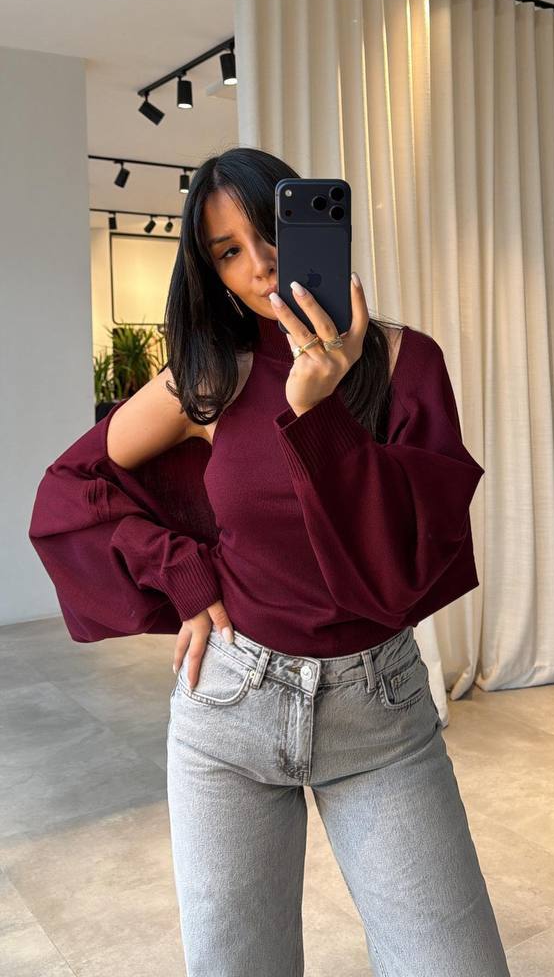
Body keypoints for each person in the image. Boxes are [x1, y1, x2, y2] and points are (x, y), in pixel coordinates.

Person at [29, 146, 510, 976]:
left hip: (379, 715)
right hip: (230, 708)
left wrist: (317, 414)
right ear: (210, 272)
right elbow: (73, 485)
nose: (258, 265)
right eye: (228, 251)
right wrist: (183, 574)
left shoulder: (407, 362)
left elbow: (410, 562)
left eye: (269, 232)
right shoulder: (210, 378)